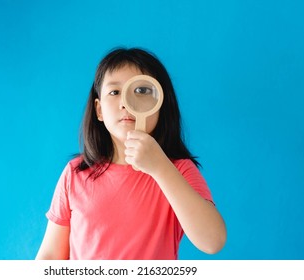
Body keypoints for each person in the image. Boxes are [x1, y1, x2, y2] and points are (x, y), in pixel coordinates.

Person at [35, 47, 226, 260]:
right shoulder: (75, 173)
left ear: (160, 104)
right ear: (99, 110)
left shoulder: (177, 171)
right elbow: (51, 256)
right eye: (115, 92)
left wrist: (161, 168)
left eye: (142, 91)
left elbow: (213, 241)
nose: (126, 103)